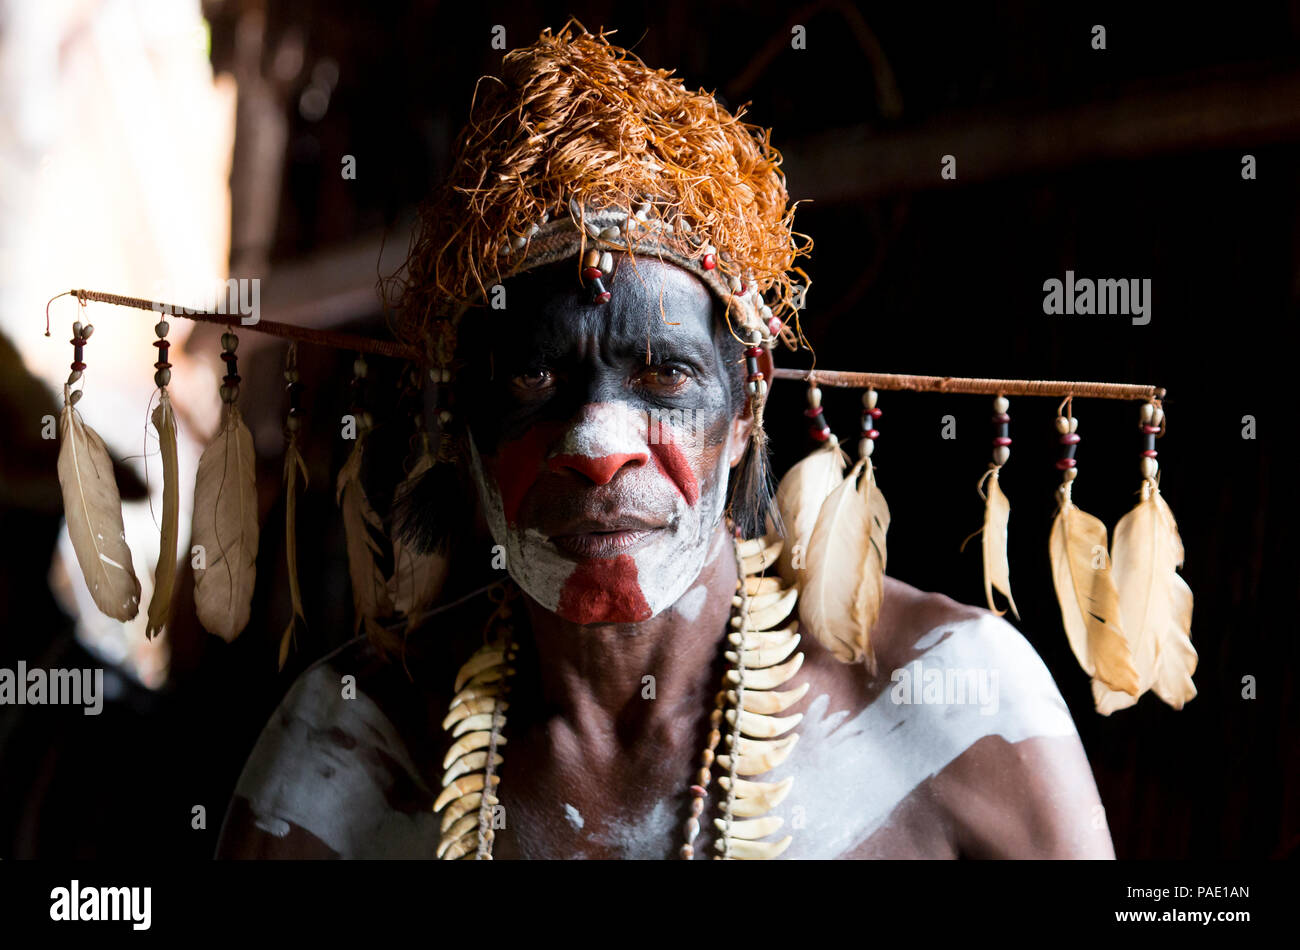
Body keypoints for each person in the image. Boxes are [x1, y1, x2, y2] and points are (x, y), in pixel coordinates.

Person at [216, 24, 1113, 860]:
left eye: (666, 376)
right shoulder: (340, 758)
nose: (598, 446)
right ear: (458, 421)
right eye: (534, 379)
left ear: (748, 404)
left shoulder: (954, 713)